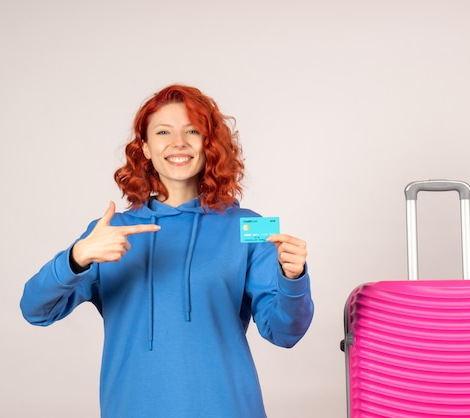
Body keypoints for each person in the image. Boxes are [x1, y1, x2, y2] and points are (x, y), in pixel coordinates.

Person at [20, 84, 314, 418]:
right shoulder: (109, 233)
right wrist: (77, 258)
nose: (178, 142)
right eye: (163, 131)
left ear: (209, 144)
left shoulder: (247, 228)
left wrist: (293, 278)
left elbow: (285, 333)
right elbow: (35, 309)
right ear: (145, 147)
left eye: (193, 131)